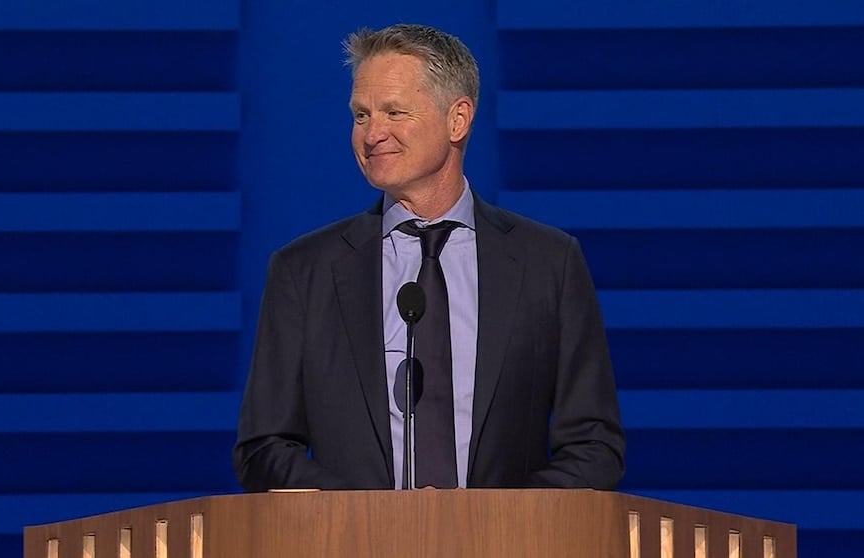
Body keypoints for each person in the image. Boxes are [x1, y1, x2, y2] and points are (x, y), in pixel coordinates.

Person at [233, 23, 625, 491]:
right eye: (361, 115)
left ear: (457, 119)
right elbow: (264, 448)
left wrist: (500, 526)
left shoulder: (548, 263)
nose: (372, 134)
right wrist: (363, 521)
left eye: (394, 112)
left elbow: (594, 446)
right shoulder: (303, 272)